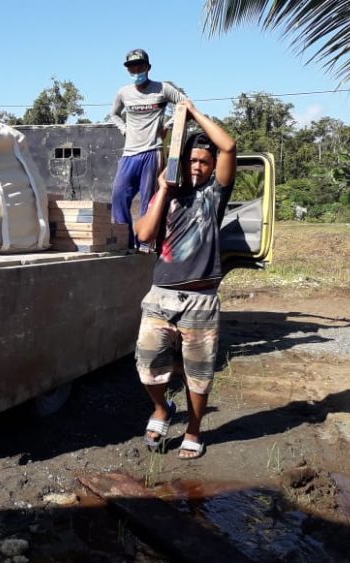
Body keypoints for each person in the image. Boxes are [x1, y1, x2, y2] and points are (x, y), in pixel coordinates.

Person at [132, 98, 236, 460]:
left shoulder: (214, 196)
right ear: (181, 161)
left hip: (201, 299)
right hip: (160, 297)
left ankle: (194, 430)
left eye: (204, 162)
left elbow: (228, 145)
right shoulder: (166, 196)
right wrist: (162, 188)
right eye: (192, 159)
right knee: (147, 366)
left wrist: (192, 114)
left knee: (199, 373)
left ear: (211, 168)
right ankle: (162, 409)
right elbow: (144, 235)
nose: (198, 166)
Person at [110, 48, 187, 249]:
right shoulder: (123, 92)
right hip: (129, 153)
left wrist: (168, 125)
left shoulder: (162, 89)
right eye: (132, 67)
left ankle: (145, 243)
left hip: (152, 151)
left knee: (149, 199)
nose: (136, 70)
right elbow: (114, 114)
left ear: (148, 67)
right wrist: (124, 129)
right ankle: (124, 242)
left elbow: (185, 104)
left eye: (140, 66)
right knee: (118, 195)